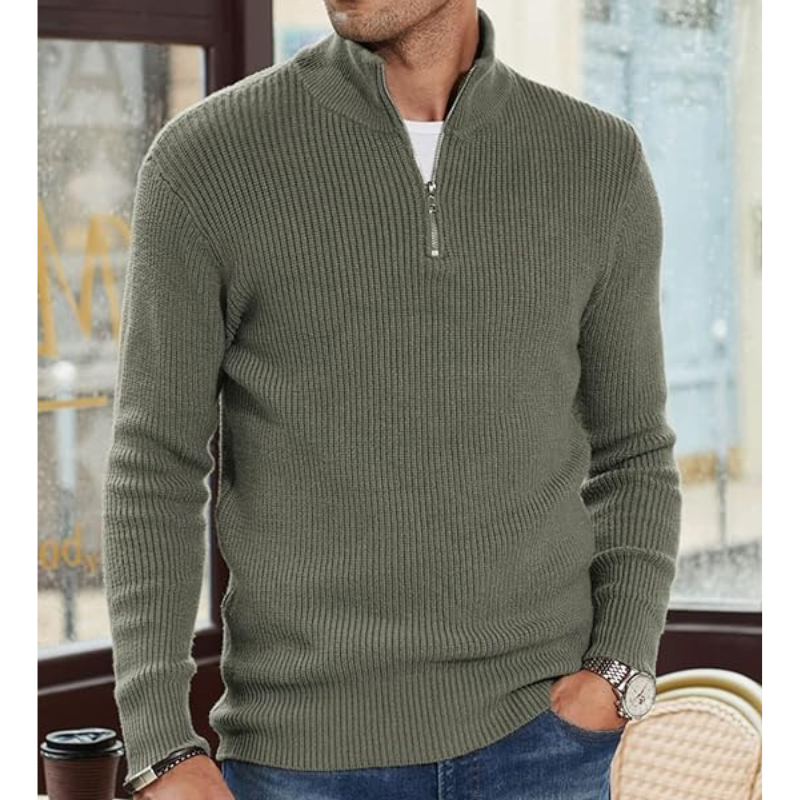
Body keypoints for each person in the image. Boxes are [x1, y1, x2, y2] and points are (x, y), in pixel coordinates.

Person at [101, 1, 683, 798]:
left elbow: (635, 450)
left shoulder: (596, 161)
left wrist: (618, 670)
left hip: (542, 747)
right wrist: (161, 747)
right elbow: (153, 467)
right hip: (301, 759)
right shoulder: (209, 159)